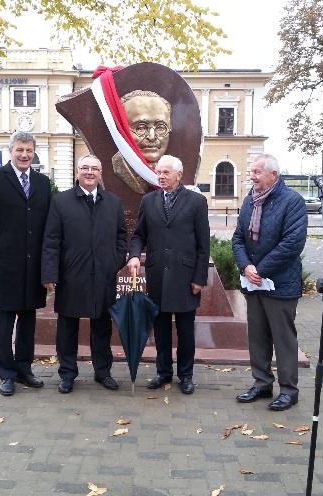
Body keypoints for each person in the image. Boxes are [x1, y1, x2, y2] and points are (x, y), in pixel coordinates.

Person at [41, 155, 127, 393]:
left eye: (95, 169)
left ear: (101, 173)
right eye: (85, 168)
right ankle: (67, 374)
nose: (90, 172)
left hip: (104, 276)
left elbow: (122, 238)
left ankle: (103, 372)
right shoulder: (61, 202)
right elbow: (51, 241)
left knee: (102, 327)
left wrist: (114, 262)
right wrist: (50, 274)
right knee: (67, 328)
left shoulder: (113, 202)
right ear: (77, 172)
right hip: (71, 276)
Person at [0, 131, 52, 396]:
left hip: (33, 268)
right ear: (11, 151)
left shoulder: (42, 183)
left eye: (29, 151)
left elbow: (47, 227)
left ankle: (24, 369)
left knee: (29, 319)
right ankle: (6, 373)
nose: (24, 155)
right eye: (20, 150)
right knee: (5, 320)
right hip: (3, 265)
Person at [127, 154, 210, 395]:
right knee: (161, 329)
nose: (160, 177)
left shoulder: (196, 202)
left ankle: (186, 375)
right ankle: (163, 372)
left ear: (179, 175)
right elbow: (140, 235)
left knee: (185, 331)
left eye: (165, 173)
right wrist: (134, 255)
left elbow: (203, 245)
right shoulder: (149, 200)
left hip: (185, 277)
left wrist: (199, 278)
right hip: (157, 275)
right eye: (159, 172)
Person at [232, 153, 307, 411]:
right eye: (251, 172)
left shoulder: (292, 201)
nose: (251, 176)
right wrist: (246, 266)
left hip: (280, 283)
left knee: (283, 338)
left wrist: (261, 269)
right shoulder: (249, 201)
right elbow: (238, 238)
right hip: (254, 283)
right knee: (258, 336)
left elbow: (292, 243)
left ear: (273, 175)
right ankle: (262, 383)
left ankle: (289, 390)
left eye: (256, 172)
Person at [111, 90, 172, 194]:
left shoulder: (172, 169)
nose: (152, 137)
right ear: (122, 130)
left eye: (161, 127)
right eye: (140, 128)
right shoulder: (119, 165)